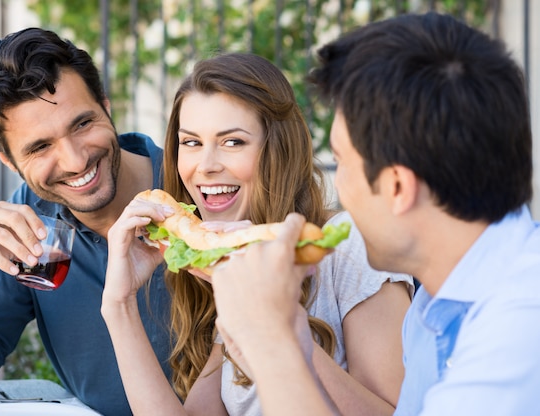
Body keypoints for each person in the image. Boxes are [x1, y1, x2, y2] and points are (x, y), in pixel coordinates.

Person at [211, 11, 540, 416]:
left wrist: (271, 342)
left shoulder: (518, 333)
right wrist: (295, 342)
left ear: (397, 187)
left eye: (343, 162)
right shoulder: (437, 303)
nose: (338, 189)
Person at [101, 52, 413, 415]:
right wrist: (119, 306)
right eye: (191, 142)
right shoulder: (238, 264)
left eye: (233, 142)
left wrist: (282, 334)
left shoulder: (347, 245)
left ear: (276, 149)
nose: (206, 166)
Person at [0, 27, 172, 416]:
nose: (74, 160)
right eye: (39, 147)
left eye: (82, 124)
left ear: (106, 105)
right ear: (9, 162)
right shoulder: (32, 221)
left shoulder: (198, 188)